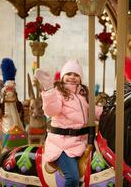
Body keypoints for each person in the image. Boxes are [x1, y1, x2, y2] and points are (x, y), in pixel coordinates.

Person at [35, 59, 102, 187]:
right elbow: (51, 110)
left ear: (80, 78)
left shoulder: (82, 96)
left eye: (76, 75)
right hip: (62, 145)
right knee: (72, 178)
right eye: (69, 74)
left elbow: (93, 112)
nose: (72, 77)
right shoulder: (58, 93)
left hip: (81, 143)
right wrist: (49, 90)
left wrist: (112, 111)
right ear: (63, 77)